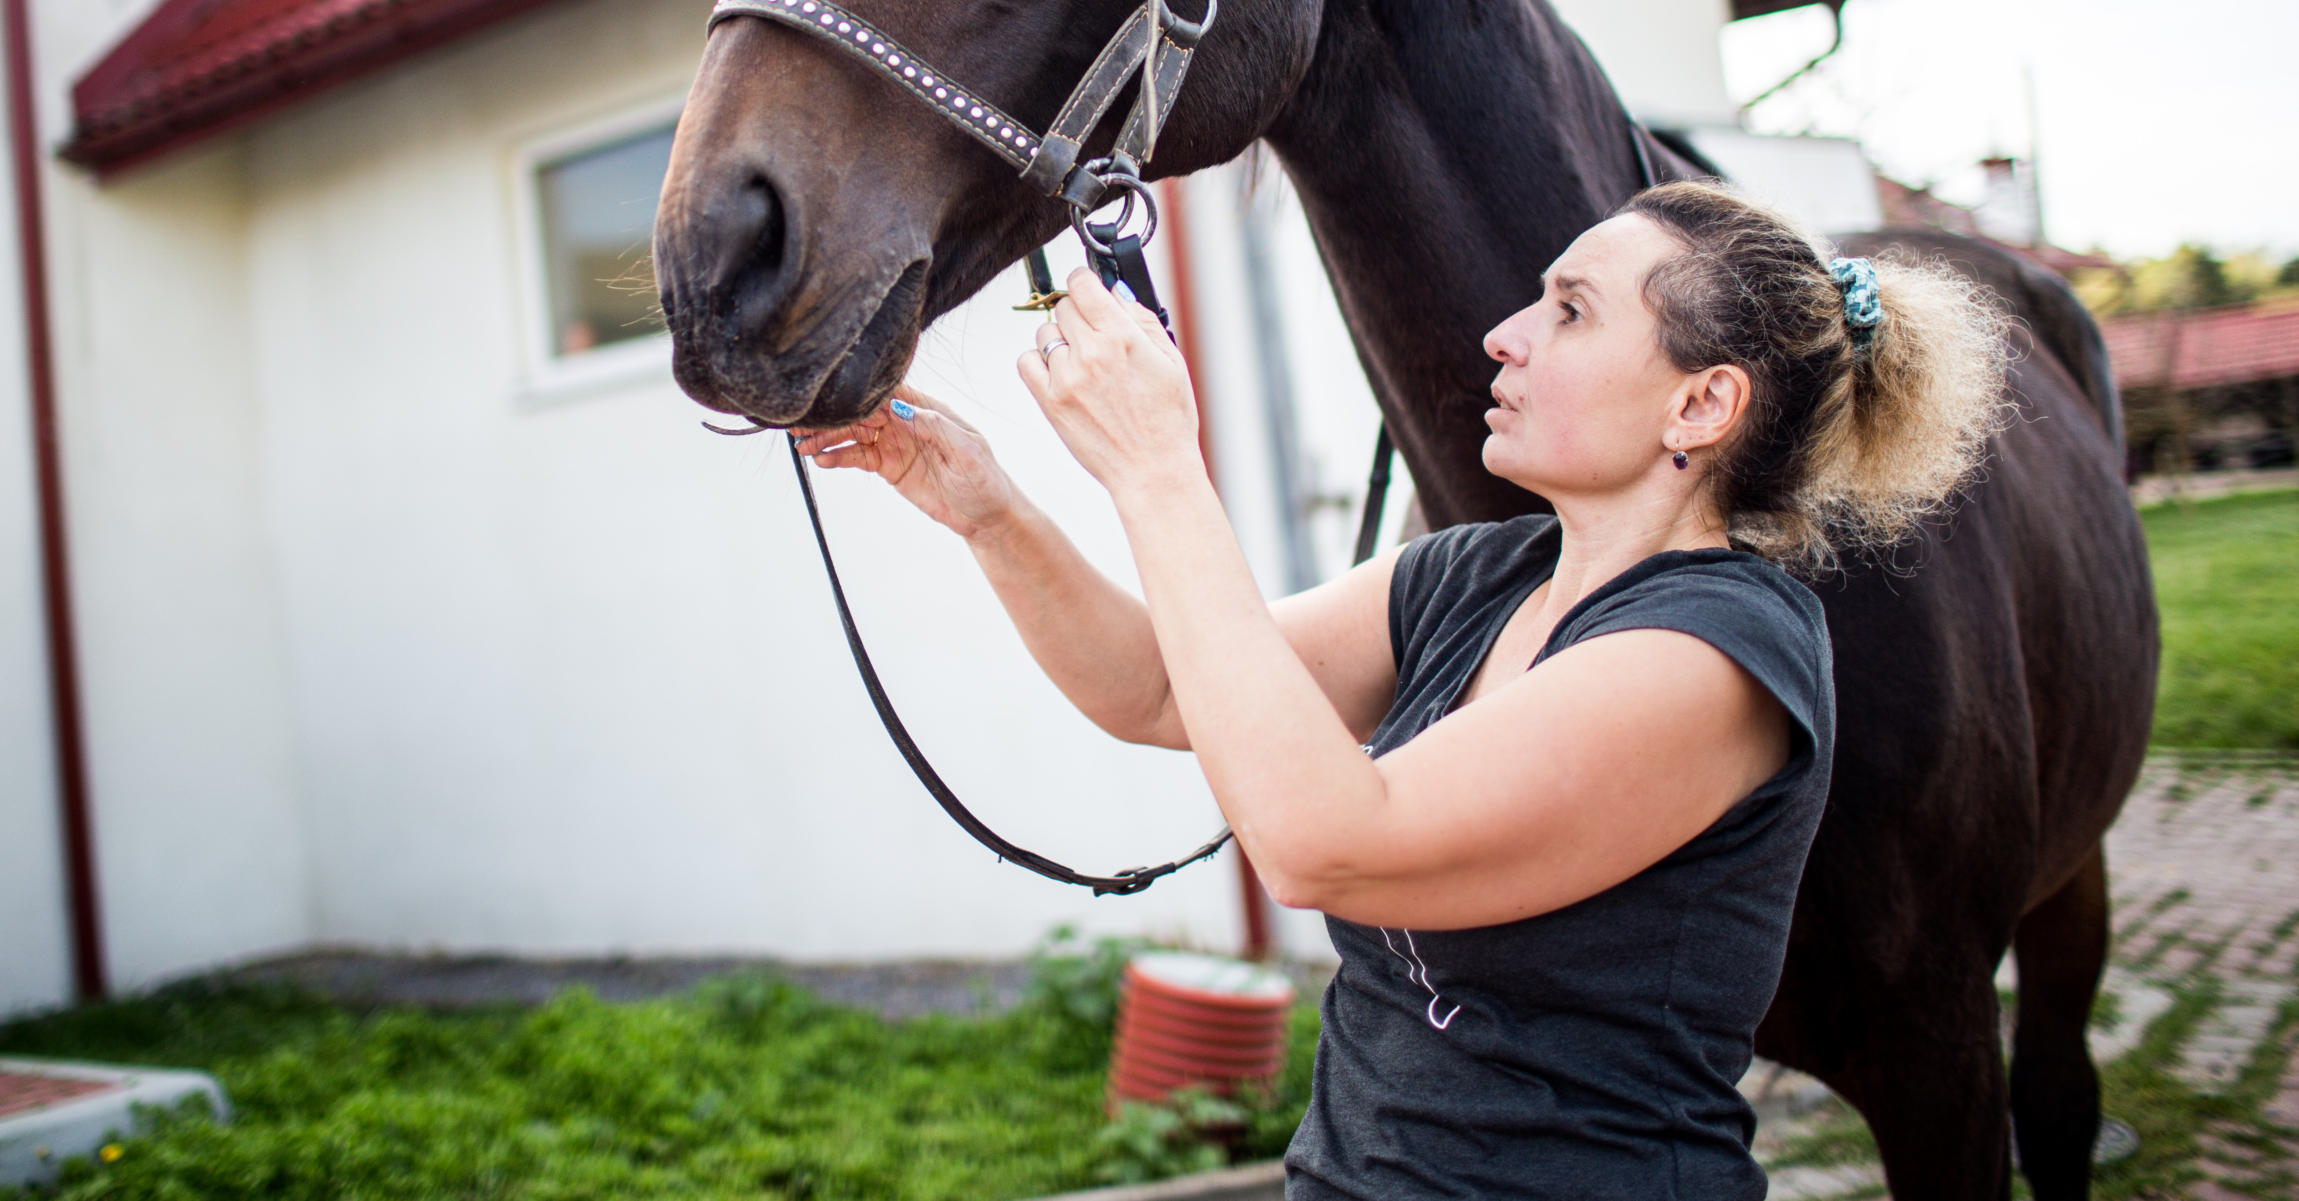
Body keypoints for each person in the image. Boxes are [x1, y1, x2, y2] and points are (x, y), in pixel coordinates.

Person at [790, 181, 2012, 1200]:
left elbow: (1326, 844)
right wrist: (989, 511)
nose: (1505, 335)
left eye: (1569, 311)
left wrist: (1159, 471)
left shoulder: (1717, 654)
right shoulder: (1473, 575)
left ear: (1699, 403)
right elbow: (1161, 689)